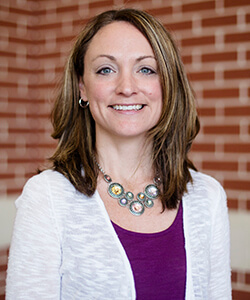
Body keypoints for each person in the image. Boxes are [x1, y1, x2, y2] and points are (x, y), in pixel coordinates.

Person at [6, 8, 231, 299]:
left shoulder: (208, 197)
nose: (126, 87)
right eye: (106, 70)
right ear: (82, 87)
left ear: (168, 85)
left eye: (146, 69)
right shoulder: (47, 197)